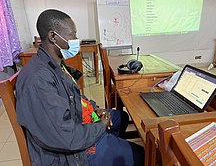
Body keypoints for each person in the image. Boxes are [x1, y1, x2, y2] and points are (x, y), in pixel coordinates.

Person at [16, 9, 144, 166]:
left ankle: (111, 149)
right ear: (53, 36)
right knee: (143, 155)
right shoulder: (38, 80)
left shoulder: (55, 64)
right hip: (69, 153)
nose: (76, 40)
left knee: (120, 117)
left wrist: (94, 109)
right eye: (72, 35)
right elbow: (64, 136)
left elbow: (74, 96)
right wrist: (100, 127)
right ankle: (109, 150)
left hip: (76, 124)